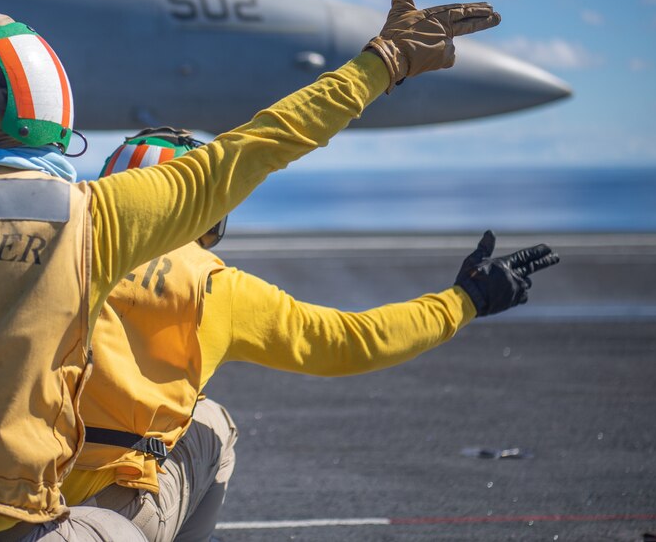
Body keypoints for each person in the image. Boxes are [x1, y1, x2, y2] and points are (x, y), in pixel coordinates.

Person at [0, 0, 502, 542]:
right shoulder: (93, 223)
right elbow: (259, 146)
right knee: (211, 426)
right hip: (17, 531)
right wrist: (384, 62)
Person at [59, 128, 559, 542]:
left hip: (21, 494)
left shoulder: (56, 255)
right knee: (212, 420)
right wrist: (465, 300)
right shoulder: (217, 288)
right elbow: (353, 341)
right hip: (115, 515)